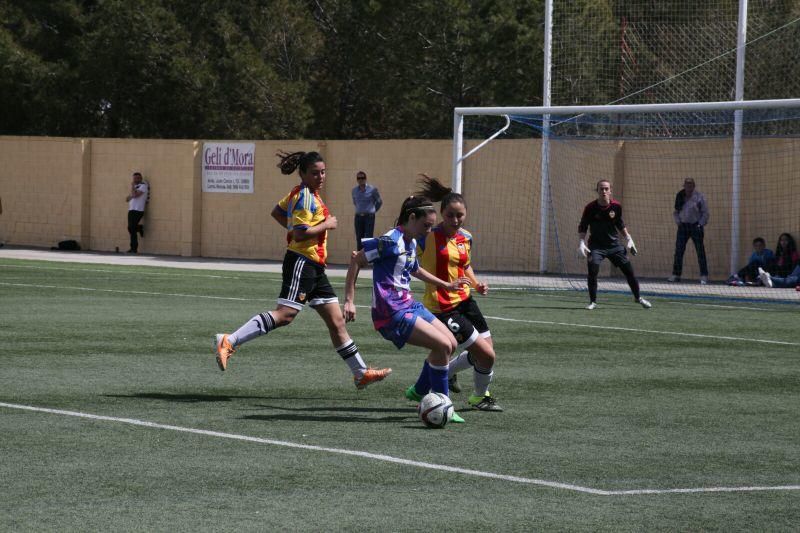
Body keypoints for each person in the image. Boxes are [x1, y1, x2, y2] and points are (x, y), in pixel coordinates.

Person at [213, 150, 391, 390]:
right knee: (285, 314)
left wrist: (295, 228)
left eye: (323, 172)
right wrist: (326, 224)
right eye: (315, 173)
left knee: (337, 322)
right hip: (302, 262)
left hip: (315, 267)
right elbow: (300, 233)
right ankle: (229, 340)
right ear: (304, 174)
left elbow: (277, 212)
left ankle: (360, 373)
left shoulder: (302, 194)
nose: (321, 176)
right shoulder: (305, 197)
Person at [343, 191, 472, 423]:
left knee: (451, 344)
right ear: (411, 218)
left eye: (431, 227)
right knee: (442, 345)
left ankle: (420, 391)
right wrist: (350, 300)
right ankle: (444, 403)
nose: (429, 231)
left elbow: (414, 269)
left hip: (409, 304)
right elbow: (357, 260)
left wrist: (446, 284)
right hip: (390, 312)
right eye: (426, 225)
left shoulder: (411, 240)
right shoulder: (390, 240)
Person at [412, 175, 502, 412]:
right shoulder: (427, 236)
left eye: (459, 215)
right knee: (486, 356)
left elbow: (465, 266)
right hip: (443, 306)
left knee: (486, 353)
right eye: (450, 214)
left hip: (465, 300)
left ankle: (443, 374)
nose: (455, 219)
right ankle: (479, 397)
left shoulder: (466, 237)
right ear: (442, 214)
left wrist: (476, 284)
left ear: (466, 214)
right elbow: (410, 255)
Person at [578, 179, 651, 310]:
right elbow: (583, 226)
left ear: (610, 191)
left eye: (606, 189)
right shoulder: (590, 208)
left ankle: (638, 298)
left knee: (629, 272)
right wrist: (581, 242)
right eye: (601, 189)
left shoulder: (616, 206)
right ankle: (592, 302)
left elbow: (620, 224)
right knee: (592, 271)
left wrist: (629, 239)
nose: (604, 191)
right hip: (596, 246)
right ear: (597, 191)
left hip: (614, 246)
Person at [668, 177, 710, 284]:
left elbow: (705, 213)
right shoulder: (680, 196)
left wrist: (700, 224)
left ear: (694, 186)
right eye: (686, 185)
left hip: (696, 226)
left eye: (690, 185)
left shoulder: (699, 197)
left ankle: (704, 276)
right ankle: (676, 274)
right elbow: (676, 212)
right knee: (679, 251)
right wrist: (678, 222)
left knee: (700, 251)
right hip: (683, 227)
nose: (688, 187)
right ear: (684, 186)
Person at [351, 171, 382, 251]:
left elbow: (379, 202)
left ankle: (367, 260)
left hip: (369, 217)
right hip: (358, 217)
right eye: (359, 178)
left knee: (368, 239)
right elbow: (355, 202)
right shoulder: (354, 191)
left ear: (365, 179)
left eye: (362, 178)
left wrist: (373, 210)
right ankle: (360, 260)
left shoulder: (372, 190)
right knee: (359, 238)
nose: (361, 180)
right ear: (357, 180)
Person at [125, 172, 148, 253]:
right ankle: (139, 228)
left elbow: (135, 195)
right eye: (134, 178)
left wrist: (132, 187)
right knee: (130, 228)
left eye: (137, 178)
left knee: (132, 228)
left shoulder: (143, 186)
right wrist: (132, 194)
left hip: (138, 210)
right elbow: (127, 199)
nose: (135, 180)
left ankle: (134, 248)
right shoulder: (135, 187)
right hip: (131, 209)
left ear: (140, 178)